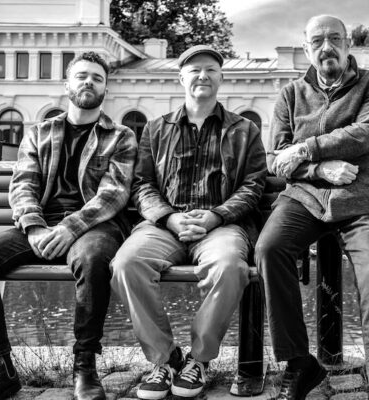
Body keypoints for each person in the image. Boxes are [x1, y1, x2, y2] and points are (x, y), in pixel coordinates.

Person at [0, 52, 137, 400]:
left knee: (93, 260)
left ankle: (84, 367)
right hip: (41, 225)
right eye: (82, 76)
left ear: (105, 89)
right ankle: (0, 370)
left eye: (98, 78)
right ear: (67, 85)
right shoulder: (40, 132)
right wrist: (35, 227)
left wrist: (69, 229)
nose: (89, 82)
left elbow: (113, 195)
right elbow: (23, 185)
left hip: (95, 226)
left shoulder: (121, 136)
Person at [254, 14, 369, 400]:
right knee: (270, 249)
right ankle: (300, 364)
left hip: (357, 198)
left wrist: (306, 148)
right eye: (317, 41)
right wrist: (319, 167)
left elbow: (365, 134)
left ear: (347, 43)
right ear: (306, 48)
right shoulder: (290, 93)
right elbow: (274, 158)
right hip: (303, 196)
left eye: (334, 38)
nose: (326, 47)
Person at [110, 45, 266, 400]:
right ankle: (164, 359)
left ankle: (199, 359)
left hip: (222, 224)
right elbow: (142, 184)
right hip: (166, 223)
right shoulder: (156, 128)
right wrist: (169, 217)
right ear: (181, 77)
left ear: (221, 78)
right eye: (194, 70)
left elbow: (254, 183)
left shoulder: (244, 130)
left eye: (211, 69)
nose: (202, 76)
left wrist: (216, 215)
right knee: (126, 264)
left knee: (230, 267)